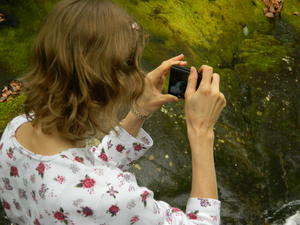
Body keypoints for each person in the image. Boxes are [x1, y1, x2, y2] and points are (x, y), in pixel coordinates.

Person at [0, 0, 226, 224]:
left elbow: (85, 173)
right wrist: (201, 131)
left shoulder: (16, 131)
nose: (139, 77)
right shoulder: (111, 198)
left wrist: (138, 110)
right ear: (110, 85)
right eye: (133, 67)